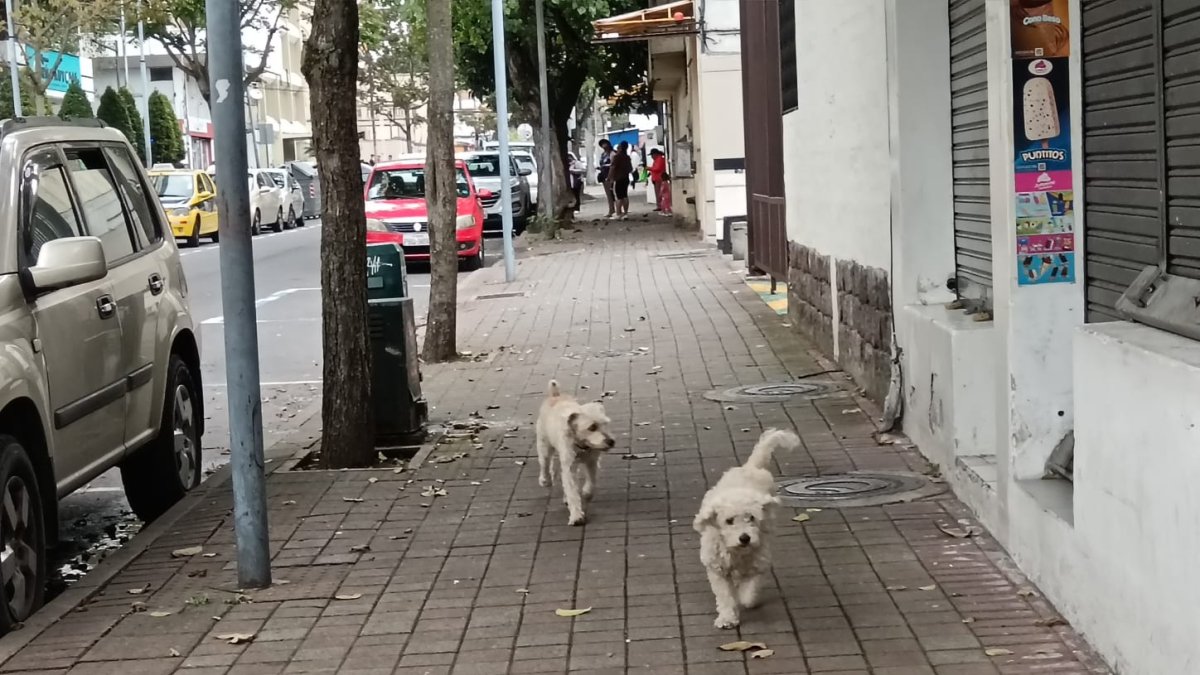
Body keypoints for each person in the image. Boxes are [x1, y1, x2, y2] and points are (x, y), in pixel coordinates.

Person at [610, 141, 634, 219]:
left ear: (620, 148)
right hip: (625, 178)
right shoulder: (627, 157)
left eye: (618, 147)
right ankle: (625, 213)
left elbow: (612, 167)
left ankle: (618, 213)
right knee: (625, 195)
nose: (617, 148)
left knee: (618, 197)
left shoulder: (617, 157)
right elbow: (630, 169)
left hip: (618, 178)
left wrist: (610, 177)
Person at [649, 147, 671, 215]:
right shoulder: (657, 159)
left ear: (655, 154)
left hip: (659, 178)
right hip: (656, 178)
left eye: (652, 155)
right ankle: (659, 205)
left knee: (660, 193)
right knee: (658, 193)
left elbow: (657, 168)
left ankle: (661, 206)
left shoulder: (660, 159)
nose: (651, 157)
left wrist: (649, 168)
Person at [597, 139, 615, 217]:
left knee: (614, 193)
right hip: (604, 175)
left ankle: (616, 209)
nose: (604, 146)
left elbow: (613, 164)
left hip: (611, 175)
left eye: (605, 144)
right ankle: (611, 209)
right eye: (602, 145)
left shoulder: (612, 153)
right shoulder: (603, 154)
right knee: (608, 194)